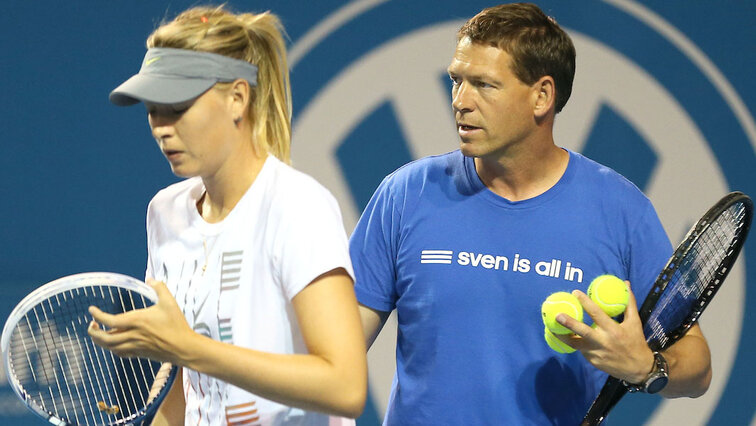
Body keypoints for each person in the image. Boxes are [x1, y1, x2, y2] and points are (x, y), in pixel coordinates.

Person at [350, 3, 712, 424]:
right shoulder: (405, 194)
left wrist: (647, 366)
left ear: (542, 96)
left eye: (484, 85)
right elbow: (337, 349)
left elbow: (697, 364)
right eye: (456, 80)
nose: (460, 101)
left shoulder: (622, 211)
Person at [87, 5, 367, 426]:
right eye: (152, 109)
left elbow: (345, 386)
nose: (162, 126)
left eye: (177, 105)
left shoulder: (297, 206)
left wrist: (190, 348)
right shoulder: (164, 212)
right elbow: (179, 387)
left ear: (238, 97)